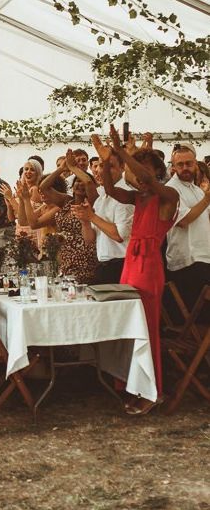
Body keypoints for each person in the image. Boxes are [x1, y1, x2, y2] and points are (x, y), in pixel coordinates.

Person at [93, 127, 179, 414]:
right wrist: (107, 161)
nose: (140, 178)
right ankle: (130, 384)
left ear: (156, 172)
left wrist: (122, 152)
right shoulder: (138, 198)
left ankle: (153, 391)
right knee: (128, 327)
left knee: (147, 330)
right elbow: (109, 189)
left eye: (146, 171)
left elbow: (143, 178)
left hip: (148, 266)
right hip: (130, 263)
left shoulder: (168, 195)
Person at [23, 153, 98, 284]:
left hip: (86, 258)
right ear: (72, 186)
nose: (80, 184)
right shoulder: (67, 202)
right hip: (65, 259)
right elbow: (43, 187)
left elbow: (88, 182)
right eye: (77, 181)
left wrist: (74, 168)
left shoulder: (92, 204)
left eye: (82, 181)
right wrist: (61, 169)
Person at [73, 151, 134, 284]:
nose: (101, 171)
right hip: (104, 265)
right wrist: (85, 222)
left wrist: (92, 216)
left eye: (109, 166)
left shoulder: (126, 195)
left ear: (122, 167)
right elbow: (90, 239)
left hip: (121, 265)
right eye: (100, 166)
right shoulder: (102, 198)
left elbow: (120, 235)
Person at [165, 144, 210, 322]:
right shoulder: (171, 189)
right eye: (180, 164)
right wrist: (207, 199)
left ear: (196, 164)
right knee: (196, 319)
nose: (185, 168)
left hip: (203, 257)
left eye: (189, 163)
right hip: (186, 262)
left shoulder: (197, 190)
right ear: (173, 167)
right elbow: (183, 221)